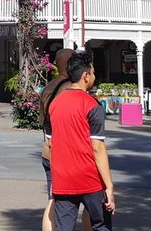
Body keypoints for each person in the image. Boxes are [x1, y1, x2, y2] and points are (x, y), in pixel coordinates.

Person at [48, 50, 115, 231]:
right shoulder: (92, 105)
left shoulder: (55, 104)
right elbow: (97, 148)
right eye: (92, 73)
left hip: (63, 179)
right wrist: (109, 186)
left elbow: (52, 141)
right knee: (100, 225)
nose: (94, 76)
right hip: (89, 178)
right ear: (85, 76)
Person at [40, 49, 90, 231]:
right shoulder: (69, 88)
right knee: (91, 201)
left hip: (48, 148)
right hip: (65, 153)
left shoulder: (49, 87)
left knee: (53, 200)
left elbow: (42, 121)